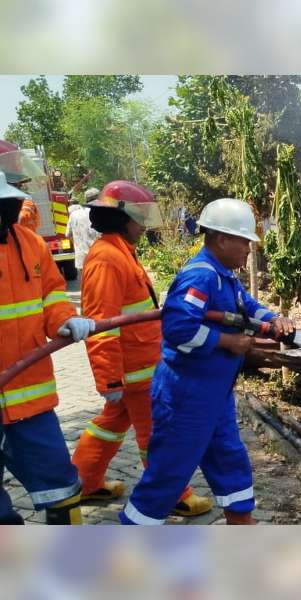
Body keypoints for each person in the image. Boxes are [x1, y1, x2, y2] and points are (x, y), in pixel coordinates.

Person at [120, 198, 294, 525]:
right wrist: (228, 341)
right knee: (168, 475)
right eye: (244, 240)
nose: (249, 248)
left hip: (214, 396)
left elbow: (247, 306)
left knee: (230, 458)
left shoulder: (223, 275)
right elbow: (177, 328)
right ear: (222, 239)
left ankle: (241, 520)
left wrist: (274, 318)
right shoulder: (200, 277)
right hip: (185, 399)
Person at [71, 181, 212, 516]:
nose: (143, 225)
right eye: (139, 218)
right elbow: (100, 323)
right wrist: (109, 381)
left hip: (137, 368)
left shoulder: (118, 251)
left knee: (110, 425)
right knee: (158, 434)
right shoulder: (107, 258)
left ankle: (83, 481)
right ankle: (174, 494)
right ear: (123, 219)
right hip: (134, 373)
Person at [0, 170, 96, 524]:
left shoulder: (31, 244)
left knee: (61, 488)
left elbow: (52, 293)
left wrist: (63, 318)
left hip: (29, 396)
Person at [65, 187, 101, 278]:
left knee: (88, 285)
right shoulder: (102, 213)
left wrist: (79, 244)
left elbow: (68, 234)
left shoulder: (74, 215)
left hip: (82, 258)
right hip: (100, 257)